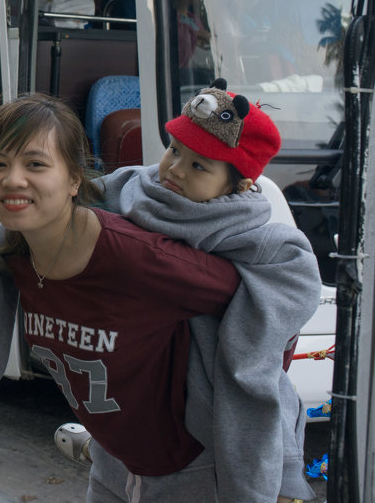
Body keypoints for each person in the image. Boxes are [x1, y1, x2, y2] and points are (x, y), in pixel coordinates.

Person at [0, 93, 244, 502]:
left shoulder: (139, 256)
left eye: (35, 164)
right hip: (112, 465)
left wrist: (264, 456)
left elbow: (258, 305)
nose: (13, 179)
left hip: (191, 472)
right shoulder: (12, 247)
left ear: (74, 179)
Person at [87, 78, 319, 503]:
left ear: (240, 186)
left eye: (199, 166)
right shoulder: (127, 191)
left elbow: (293, 293)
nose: (174, 169)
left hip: (203, 434)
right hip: (126, 406)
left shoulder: (258, 240)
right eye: (175, 150)